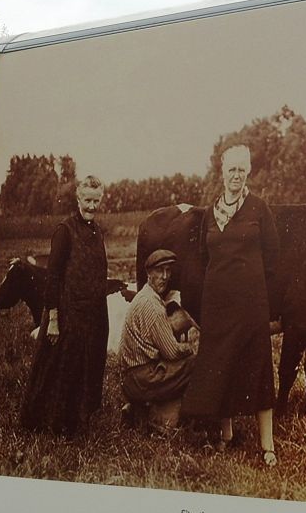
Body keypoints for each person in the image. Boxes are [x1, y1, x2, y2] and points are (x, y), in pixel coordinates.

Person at [181, 144, 280, 466]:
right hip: (217, 305)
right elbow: (203, 256)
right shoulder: (210, 213)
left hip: (251, 304)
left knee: (258, 367)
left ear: (248, 172)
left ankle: (268, 445)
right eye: (231, 170)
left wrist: (249, 285)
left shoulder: (259, 209)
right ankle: (227, 435)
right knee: (221, 365)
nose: (236, 176)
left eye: (241, 169)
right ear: (221, 173)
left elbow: (272, 259)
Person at [21, 175, 109, 436]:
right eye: (87, 200)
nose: (92, 206)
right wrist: (55, 320)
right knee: (61, 369)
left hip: (92, 314)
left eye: (96, 200)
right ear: (78, 199)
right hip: (67, 314)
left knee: (87, 366)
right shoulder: (65, 230)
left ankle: (77, 421)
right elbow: (54, 276)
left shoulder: (97, 232)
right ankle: (50, 424)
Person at [118, 249, 198, 432]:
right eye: (159, 271)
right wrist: (188, 348)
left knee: (175, 368)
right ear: (148, 273)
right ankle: (161, 420)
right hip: (143, 378)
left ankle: (138, 410)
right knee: (195, 364)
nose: (164, 276)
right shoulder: (153, 306)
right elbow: (171, 352)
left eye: (168, 270)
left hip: (131, 376)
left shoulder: (143, 297)